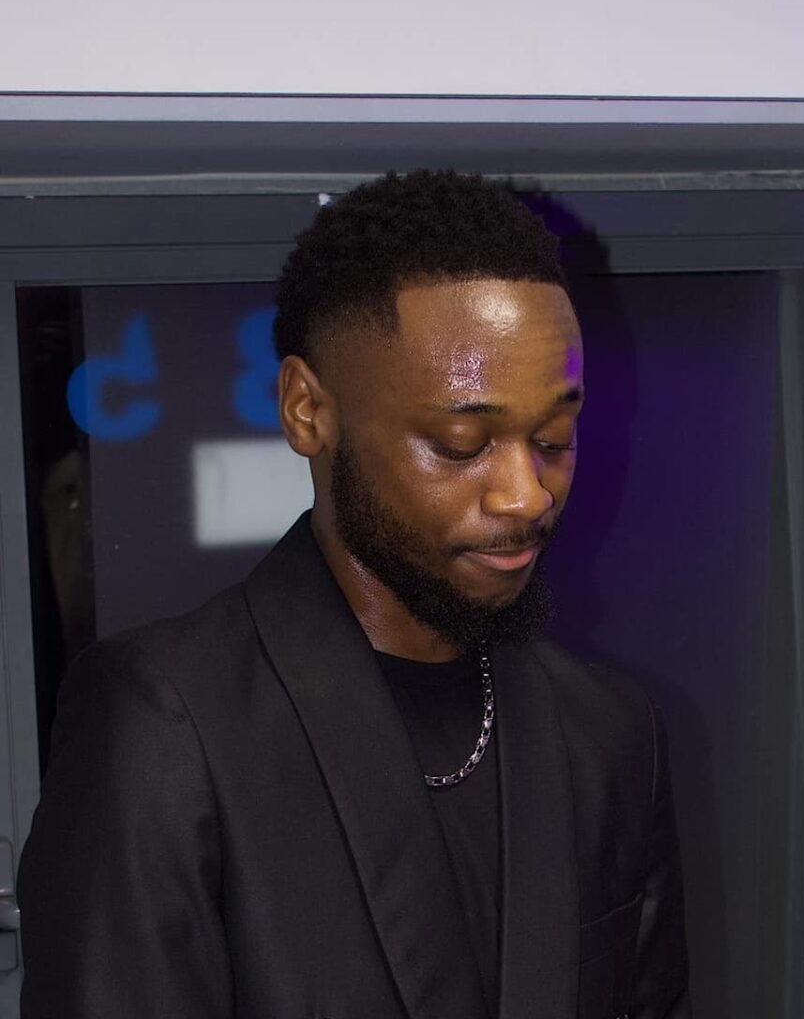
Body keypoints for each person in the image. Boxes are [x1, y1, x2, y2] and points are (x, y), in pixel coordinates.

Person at [18, 170, 690, 1018]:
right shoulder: (167, 730)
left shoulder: (611, 735)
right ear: (307, 411)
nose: (527, 493)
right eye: (460, 443)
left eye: (552, 436)